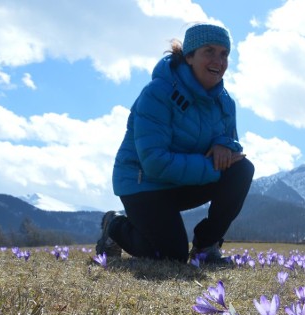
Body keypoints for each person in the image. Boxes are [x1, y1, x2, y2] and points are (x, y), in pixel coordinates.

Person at [97, 22, 254, 264]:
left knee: (241, 169)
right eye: (209, 51)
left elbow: (233, 147)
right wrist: (211, 165)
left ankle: (205, 247)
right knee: (171, 256)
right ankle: (115, 225)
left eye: (224, 54)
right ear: (189, 56)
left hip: (183, 180)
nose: (218, 61)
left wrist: (225, 144)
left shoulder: (225, 102)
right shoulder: (158, 93)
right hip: (143, 183)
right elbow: (154, 162)